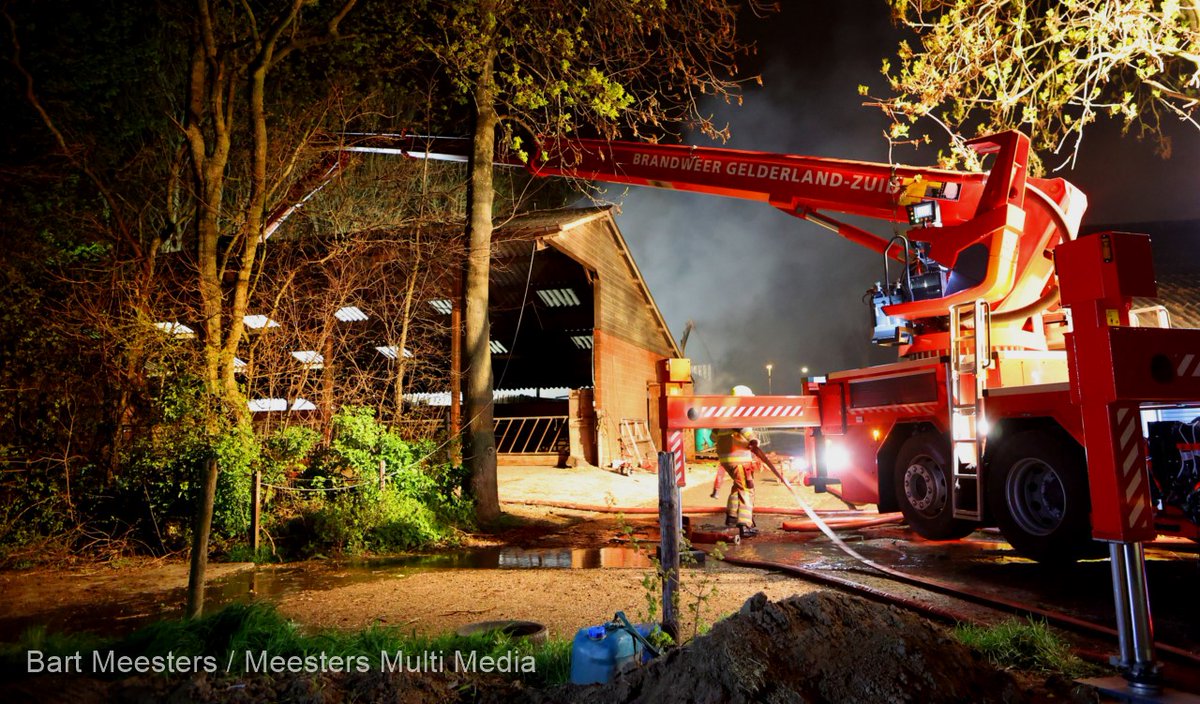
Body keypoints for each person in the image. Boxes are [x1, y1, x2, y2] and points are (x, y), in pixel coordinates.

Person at [714, 385, 760, 538]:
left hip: (726, 459)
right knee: (746, 489)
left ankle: (732, 517)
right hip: (738, 458)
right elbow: (743, 428)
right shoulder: (738, 411)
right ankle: (745, 524)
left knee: (737, 486)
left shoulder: (724, 413)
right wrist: (753, 440)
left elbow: (713, 435)